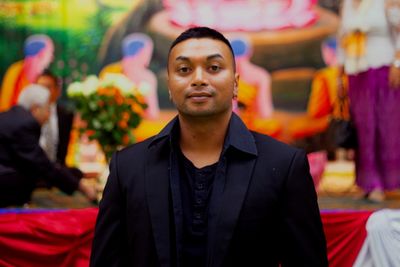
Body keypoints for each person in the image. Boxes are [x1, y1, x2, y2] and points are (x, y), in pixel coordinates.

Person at [90, 27, 327, 267]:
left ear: (235, 84)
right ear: (170, 86)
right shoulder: (128, 167)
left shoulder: (283, 165)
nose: (199, 79)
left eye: (214, 68)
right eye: (184, 70)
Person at [337, 0, 400, 202]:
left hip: (383, 69)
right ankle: (368, 183)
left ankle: (388, 182)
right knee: (364, 128)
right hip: (357, 72)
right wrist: (339, 75)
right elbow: (342, 38)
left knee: (386, 126)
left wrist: (398, 63)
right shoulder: (347, 4)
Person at [0, 84, 97, 207]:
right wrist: (81, 187)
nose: (49, 115)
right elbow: (42, 165)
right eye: (47, 109)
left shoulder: (12, 117)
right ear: (35, 108)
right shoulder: (25, 123)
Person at [99, 33, 159, 119]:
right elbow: (152, 113)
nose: (149, 56)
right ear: (141, 52)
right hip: (137, 126)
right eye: (149, 51)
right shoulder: (147, 76)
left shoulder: (108, 71)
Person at [0, 34, 54, 112]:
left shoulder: (45, 76)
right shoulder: (16, 71)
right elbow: (5, 103)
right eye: (50, 53)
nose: (51, 58)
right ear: (41, 54)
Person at [36, 69, 75, 165]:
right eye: (39, 87)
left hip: (57, 171)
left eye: (48, 87)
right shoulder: (28, 114)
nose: (43, 92)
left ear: (57, 91)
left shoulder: (66, 115)